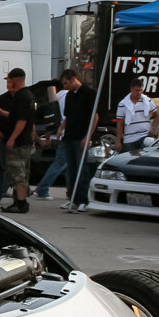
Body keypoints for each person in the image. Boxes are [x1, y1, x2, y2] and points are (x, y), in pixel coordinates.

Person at [59, 71, 98, 212]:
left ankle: (83, 200)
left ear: (73, 79)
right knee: (71, 169)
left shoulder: (88, 93)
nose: (64, 86)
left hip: (81, 136)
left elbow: (95, 116)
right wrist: (61, 127)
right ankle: (72, 198)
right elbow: (68, 116)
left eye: (66, 83)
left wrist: (88, 136)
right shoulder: (69, 95)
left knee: (82, 169)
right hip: (69, 136)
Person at [0, 68, 36, 214]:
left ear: (16, 79)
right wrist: (2, 112)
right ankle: (20, 200)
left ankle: (20, 203)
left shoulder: (21, 97)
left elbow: (21, 120)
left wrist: (12, 138)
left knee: (18, 172)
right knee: (23, 171)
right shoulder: (29, 95)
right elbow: (18, 116)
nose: (9, 82)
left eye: (10, 79)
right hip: (25, 140)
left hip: (19, 142)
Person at [33, 76, 72, 200]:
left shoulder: (55, 97)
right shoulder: (68, 96)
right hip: (66, 134)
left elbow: (49, 118)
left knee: (67, 164)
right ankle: (42, 188)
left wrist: (48, 137)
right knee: (61, 163)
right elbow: (69, 116)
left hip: (56, 135)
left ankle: (71, 192)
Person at [115, 78, 159, 153]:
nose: (139, 93)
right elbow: (120, 123)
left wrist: (153, 129)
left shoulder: (147, 100)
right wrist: (118, 141)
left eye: (140, 90)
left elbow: (157, 116)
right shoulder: (123, 104)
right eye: (137, 90)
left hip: (145, 136)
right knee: (131, 161)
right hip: (130, 139)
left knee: (143, 159)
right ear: (131, 89)